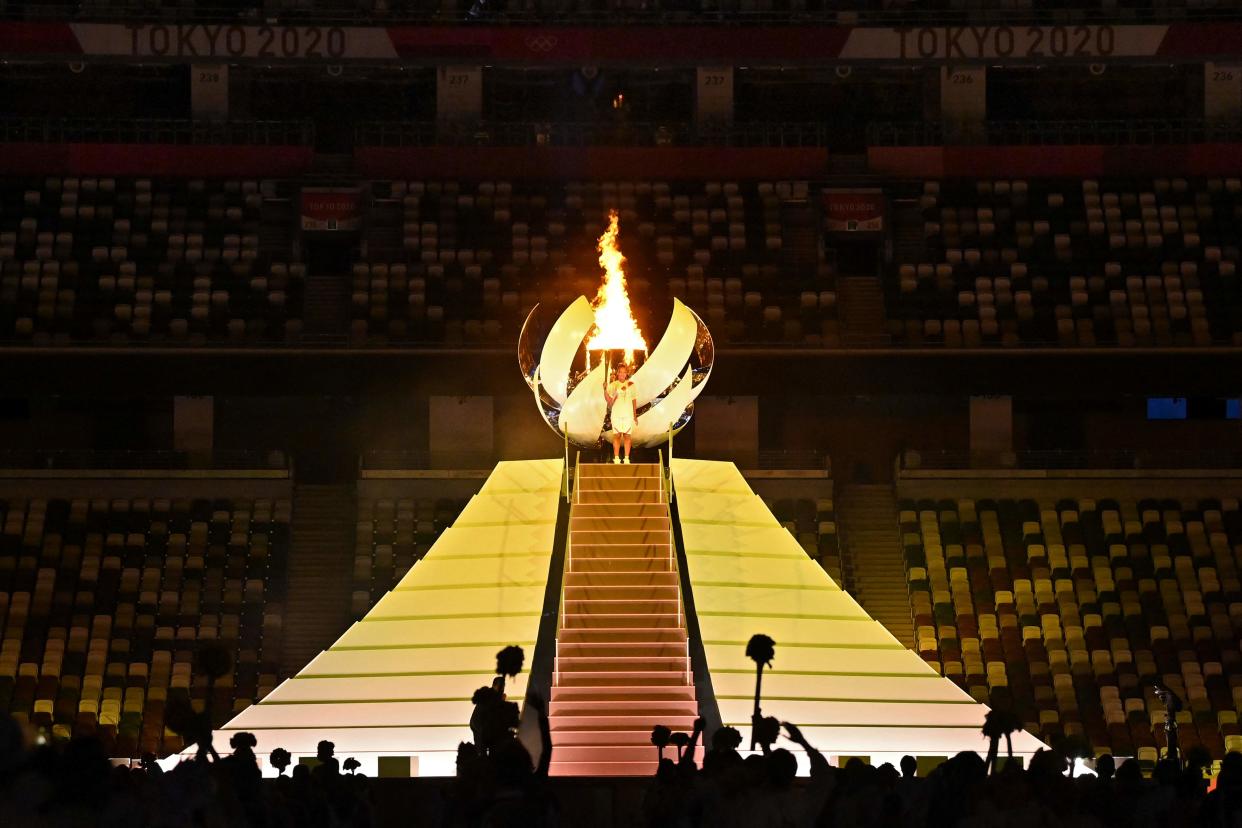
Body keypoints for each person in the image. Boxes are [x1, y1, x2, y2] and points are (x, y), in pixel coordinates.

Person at [604, 362, 637, 464]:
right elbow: (609, 401)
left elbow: (634, 400)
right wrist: (605, 389)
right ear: (617, 373)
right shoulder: (613, 385)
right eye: (620, 372)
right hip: (617, 414)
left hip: (628, 414)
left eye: (624, 372)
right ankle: (617, 458)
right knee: (617, 436)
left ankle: (627, 458)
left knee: (627, 436)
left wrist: (635, 416)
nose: (622, 374)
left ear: (626, 373)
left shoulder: (631, 385)